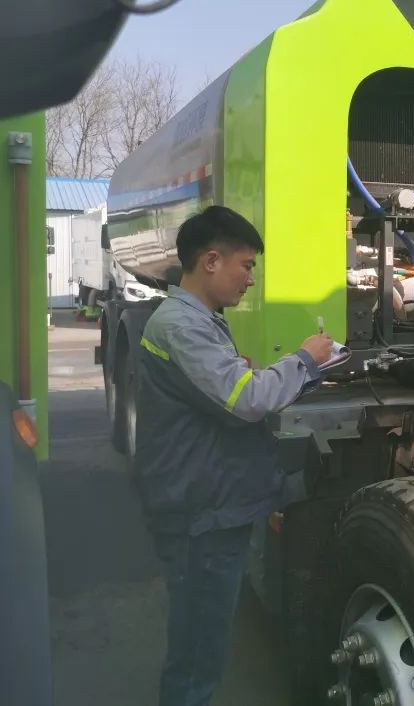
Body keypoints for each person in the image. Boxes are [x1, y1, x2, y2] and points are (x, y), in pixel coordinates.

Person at [133, 205, 333, 706]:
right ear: (211, 261)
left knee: (200, 643)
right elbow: (245, 400)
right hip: (201, 516)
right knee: (197, 656)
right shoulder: (183, 326)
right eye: (246, 266)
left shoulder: (196, 321)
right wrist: (305, 359)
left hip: (206, 504)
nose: (251, 279)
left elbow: (224, 392)